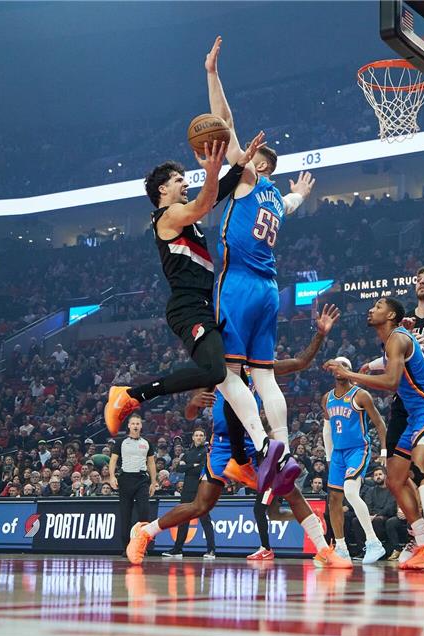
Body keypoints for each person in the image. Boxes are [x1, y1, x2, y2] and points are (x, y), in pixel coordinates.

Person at [105, 134, 294, 493]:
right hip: (188, 307)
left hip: (209, 305)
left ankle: (240, 460)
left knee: (232, 377)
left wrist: (238, 167)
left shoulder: (185, 214)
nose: (185, 183)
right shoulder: (168, 216)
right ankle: (131, 395)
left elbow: (216, 194)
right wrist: (214, 171)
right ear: (162, 189)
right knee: (218, 371)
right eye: (179, 179)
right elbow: (207, 201)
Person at [125, 308, 350, 569]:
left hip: (253, 443)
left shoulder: (259, 367)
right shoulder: (216, 368)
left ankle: (323, 550)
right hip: (222, 445)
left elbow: (300, 362)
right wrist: (193, 403)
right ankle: (145, 532)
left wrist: (320, 335)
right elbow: (189, 414)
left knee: (291, 491)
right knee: (200, 506)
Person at [202, 36, 315, 494]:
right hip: (270, 289)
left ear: (258, 165)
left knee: (225, 373)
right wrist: (300, 194)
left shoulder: (249, 177)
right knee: (264, 375)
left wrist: (212, 75)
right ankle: (284, 449)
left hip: (240, 285)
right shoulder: (277, 200)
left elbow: (223, 124)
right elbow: (291, 200)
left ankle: (264, 445)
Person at [328, 295, 424, 571]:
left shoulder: (398, 338)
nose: (371, 310)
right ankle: (421, 541)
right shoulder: (391, 341)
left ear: (391, 315)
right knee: (394, 479)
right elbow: (388, 366)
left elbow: (392, 381)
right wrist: (367, 366)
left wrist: (350, 375)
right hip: (415, 415)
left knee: (418, 469)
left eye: (378, 306)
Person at [321, 357, 388, 564]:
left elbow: (380, 423)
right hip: (338, 453)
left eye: (345, 367)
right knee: (334, 499)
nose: (340, 370)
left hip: (358, 449)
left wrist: (384, 451)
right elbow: (327, 430)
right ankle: (341, 548)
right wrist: (329, 457)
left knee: (350, 491)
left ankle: (374, 542)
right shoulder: (326, 398)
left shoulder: (360, 395)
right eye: (337, 366)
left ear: (350, 371)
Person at [108, 415, 158, 552]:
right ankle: (126, 547)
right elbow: (113, 460)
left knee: (144, 513)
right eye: (133, 423)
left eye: (138, 423)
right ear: (129, 426)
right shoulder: (121, 442)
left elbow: (151, 463)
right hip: (125, 478)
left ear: (141, 426)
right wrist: (112, 476)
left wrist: (153, 482)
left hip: (142, 479)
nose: (136, 426)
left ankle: (141, 546)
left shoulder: (147, 443)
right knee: (126, 514)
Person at [164, 428, 216, 559]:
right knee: (183, 520)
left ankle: (211, 550)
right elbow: (179, 468)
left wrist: (189, 466)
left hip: (201, 490)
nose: (199, 437)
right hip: (187, 490)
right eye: (196, 435)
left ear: (204, 438)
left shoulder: (206, 452)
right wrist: (193, 465)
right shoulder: (188, 452)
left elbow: (202, 468)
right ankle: (177, 549)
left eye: (201, 435)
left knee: (205, 520)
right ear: (193, 437)